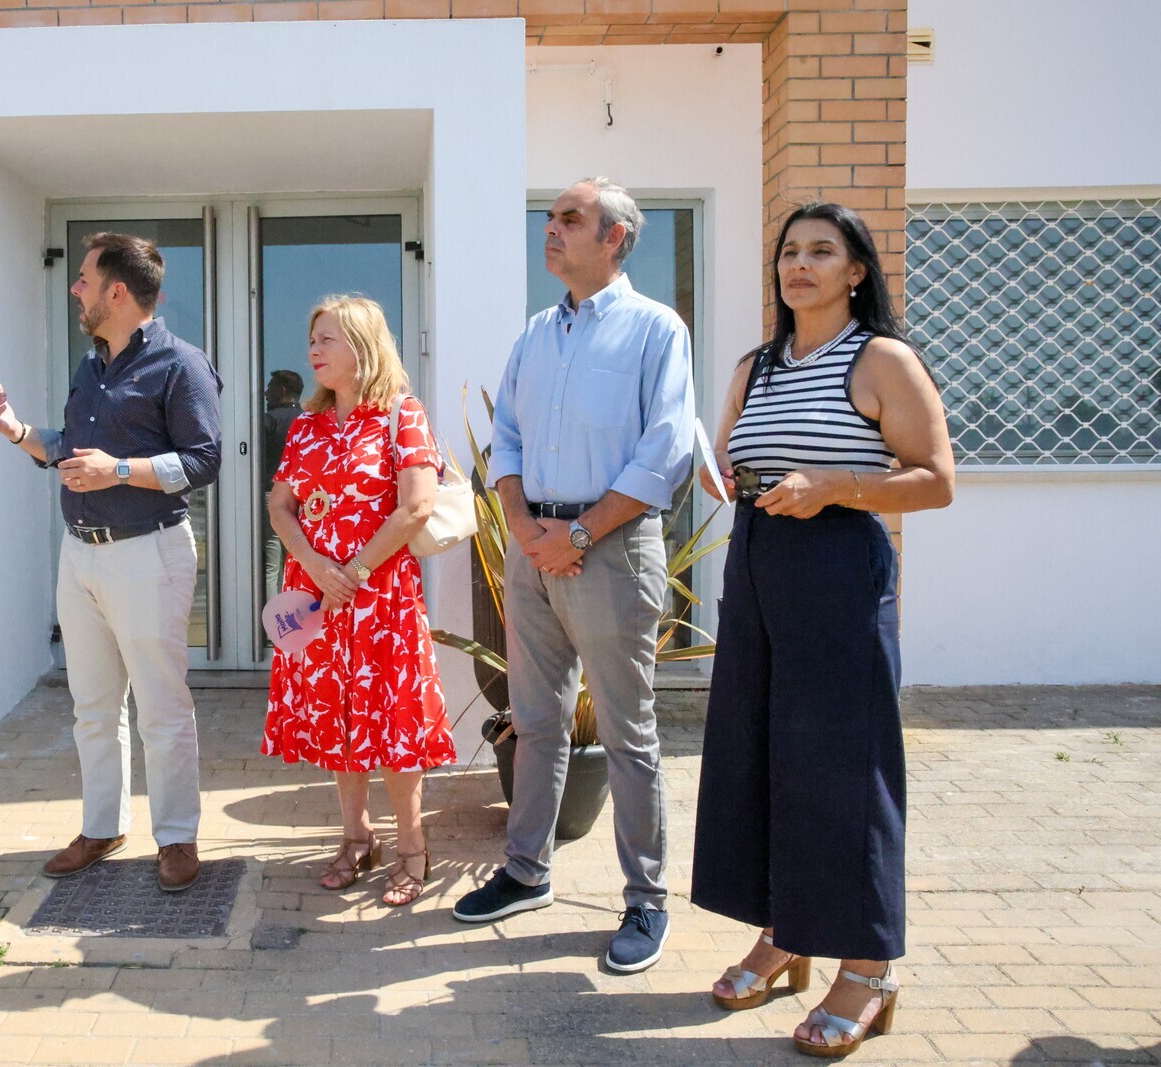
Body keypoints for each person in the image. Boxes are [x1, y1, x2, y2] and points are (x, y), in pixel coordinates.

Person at [690, 202, 954, 1058]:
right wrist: (720, 468)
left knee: (846, 767)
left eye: (821, 252)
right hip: (759, 561)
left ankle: (869, 968)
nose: (799, 264)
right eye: (789, 252)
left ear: (856, 272)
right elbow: (735, 458)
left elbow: (935, 479)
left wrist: (837, 484)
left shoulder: (882, 359)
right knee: (763, 753)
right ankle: (788, 933)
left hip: (838, 563)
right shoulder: (755, 364)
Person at [452, 178, 695, 977]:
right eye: (551, 217)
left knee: (627, 731)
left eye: (569, 219)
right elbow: (508, 438)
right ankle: (527, 871)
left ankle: (647, 899)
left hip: (611, 548)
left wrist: (582, 532)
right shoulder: (536, 334)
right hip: (534, 549)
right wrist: (525, 531)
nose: (550, 229)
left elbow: (666, 449)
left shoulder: (656, 330)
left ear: (615, 239)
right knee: (536, 717)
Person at [0, 233, 222, 892]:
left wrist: (118, 469)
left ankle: (176, 837)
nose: (75, 287)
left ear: (118, 291)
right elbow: (69, 449)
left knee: (160, 708)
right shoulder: (91, 368)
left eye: (84, 278)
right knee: (92, 704)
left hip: (150, 552)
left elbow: (204, 460)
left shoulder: (181, 365)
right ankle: (102, 824)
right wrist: (17, 432)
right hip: (79, 555)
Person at [262, 294, 454, 907]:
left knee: (391, 723)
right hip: (319, 598)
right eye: (312, 339)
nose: (313, 351)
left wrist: (354, 569)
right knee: (339, 720)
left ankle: (412, 847)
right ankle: (355, 837)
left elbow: (416, 505)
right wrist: (319, 567)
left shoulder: (402, 414)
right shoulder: (306, 426)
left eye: (327, 340)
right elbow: (279, 506)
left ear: (363, 347)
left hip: (381, 602)